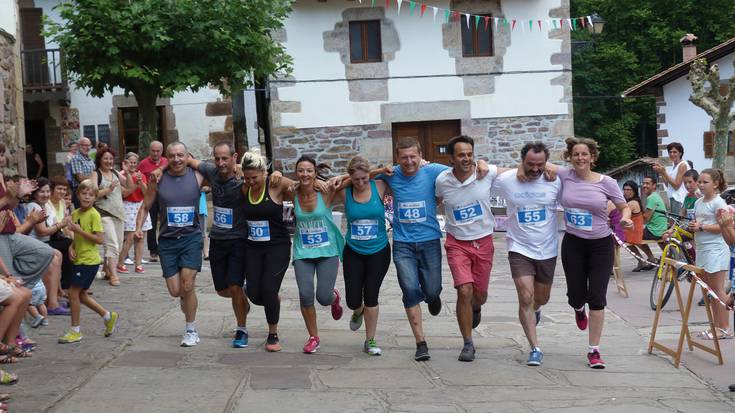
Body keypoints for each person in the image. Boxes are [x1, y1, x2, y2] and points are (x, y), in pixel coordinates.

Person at [374, 137, 489, 361]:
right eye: (404, 157)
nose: (409, 162)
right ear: (397, 158)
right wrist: (379, 168)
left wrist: (480, 163)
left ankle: (433, 296)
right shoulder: (390, 174)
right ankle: (421, 343)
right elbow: (360, 175)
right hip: (402, 243)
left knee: (433, 289)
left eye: (413, 157)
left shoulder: (433, 170)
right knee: (409, 290)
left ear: (420, 156)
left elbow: (461, 169)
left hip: (429, 241)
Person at [557, 137, 632, 369]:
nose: (580, 158)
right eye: (576, 154)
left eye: (584, 154)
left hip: (600, 245)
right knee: (576, 296)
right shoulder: (563, 175)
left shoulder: (606, 182)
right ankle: (578, 309)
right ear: (570, 157)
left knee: (597, 298)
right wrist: (488, 168)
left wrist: (627, 219)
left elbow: (624, 206)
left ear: (592, 157)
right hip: (573, 244)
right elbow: (532, 164)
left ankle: (594, 351)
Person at [435, 136, 505, 362]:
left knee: (480, 295)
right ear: (451, 158)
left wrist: (551, 170)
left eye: (469, 154)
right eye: (460, 155)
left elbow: (518, 173)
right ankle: (467, 343)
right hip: (457, 243)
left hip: (483, 241)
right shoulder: (442, 180)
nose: (465, 158)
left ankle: (476, 307)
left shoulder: (486, 172)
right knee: (464, 290)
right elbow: (435, 200)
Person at [493, 142, 561, 366]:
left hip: (547, 249)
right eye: (530, 164)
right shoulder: (508, 179)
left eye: (540, 164)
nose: (535, 169)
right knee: (525, 297)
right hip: (519, 248)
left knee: (541, 298)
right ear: (522, 161)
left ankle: (537, 309)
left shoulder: (555, 180)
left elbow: (581, 178)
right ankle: (535, 348)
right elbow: (481, 171)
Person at [181, 142, 252, 348]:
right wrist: (159, 169)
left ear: (234, 157)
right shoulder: (211, 171)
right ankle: (242, 297)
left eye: (225, 158)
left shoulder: (243, 178)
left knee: (234, 285)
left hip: (238, 239)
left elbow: (266, 178)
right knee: (222, 290)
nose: (220, 163)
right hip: (218, 240)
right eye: (217, 158)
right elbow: (187, 159)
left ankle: (241, 330)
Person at [136, 142, 204, 347]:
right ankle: (187, 300)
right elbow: (145, 205)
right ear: (167, 158)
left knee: (188, 283)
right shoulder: (158, 178)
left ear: (187, 156)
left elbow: (217, 170)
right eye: (172, 156)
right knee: (176, 291)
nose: (176, 159)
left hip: (191, 238)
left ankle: (190, 329)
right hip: (167, 240)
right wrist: (138, 227)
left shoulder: (198, 176)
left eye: (181, 155)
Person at [330, 156, 391, 356]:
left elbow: (395, 171)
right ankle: (358, 311)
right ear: (350, 178)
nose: (361, 183)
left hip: (379, 251)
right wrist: (343, 177)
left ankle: (370, 340)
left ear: (369, 175)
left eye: (365, 178)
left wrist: (374, 172)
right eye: (356, 180)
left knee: (371, 295)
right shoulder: (345, 193)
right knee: (353, 300)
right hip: (354, 252)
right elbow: (330, 188)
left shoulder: (379, 186)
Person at [240, 149, 292, 352]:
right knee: (254, 294)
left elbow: (298, 186)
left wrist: (279, 173)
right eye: (246, 178)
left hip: (277, 247)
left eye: (254, 178)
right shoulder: (245, 189)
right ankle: (272, 301)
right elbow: (237, 169)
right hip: (253, 247)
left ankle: (273, 334)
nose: (250, 181)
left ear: (264, 173)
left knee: (269, 289)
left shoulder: (275, 185)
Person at [291, 156, 344, 354]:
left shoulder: (326, 191)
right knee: (305, 295)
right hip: (302, 252)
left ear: (315, 173)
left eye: (309, 171)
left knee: (322, 297)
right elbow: (273, 179)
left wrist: (339, 176)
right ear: (297, 173)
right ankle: (313, 337)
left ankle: (333, 297)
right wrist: (277, 173)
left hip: (327, 252)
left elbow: (357, 175)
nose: (305, 174)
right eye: (301, 171)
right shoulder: (293, 192)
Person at [58, 179, 119, 343]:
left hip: (89, 261)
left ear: (95, 198)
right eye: (84, 193)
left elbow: (99, 240)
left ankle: (75, 330)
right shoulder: (76, 213)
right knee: (82, 295)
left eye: (90, 195)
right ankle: (107, 316)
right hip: (80, 259)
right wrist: (72, 246)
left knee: (72, 293)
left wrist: (79, 231)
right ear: (78, 195)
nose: (86, 197)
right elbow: (77, 237)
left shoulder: (94, 215)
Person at [688, 169, 731, 339]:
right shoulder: (698, 202)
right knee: (709, 291)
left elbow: (724, 228)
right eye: (699, 181)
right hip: (702, 249)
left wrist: (702, 227)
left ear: (716, 184)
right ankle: (716, 327)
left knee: (718, 290)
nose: (700, 185)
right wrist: (693, 225)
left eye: (705, 182)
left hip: (716, 250)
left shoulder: (719, 203)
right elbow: (699, 222)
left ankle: (725, 328)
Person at [23, 177, 71, 315]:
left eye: (47, 191)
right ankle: (52, 302)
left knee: (60, 253)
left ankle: (55, 296)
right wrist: (61, 224)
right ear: (35, 193)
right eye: (42, 192)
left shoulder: (43, 205)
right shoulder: (34, 206)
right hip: (35, 243)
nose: (46, 194)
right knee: (56, 256)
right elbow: (42, 231)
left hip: (42, 242)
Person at [90, 148, 130, 287]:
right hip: (103, 213)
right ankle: (114, 275)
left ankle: (106, 269)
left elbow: (129, 186)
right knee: (112, 243)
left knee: (117, 245)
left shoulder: (115, 173)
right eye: (105, 158)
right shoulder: (96, 174)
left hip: (118, 214)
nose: (108, 161)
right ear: (100, 159)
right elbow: (92, 194)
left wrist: (128, 171)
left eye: (111, 158)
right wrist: (109, 189)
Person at [117, 153, 150, 274]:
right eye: (130, 162)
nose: (132, 165)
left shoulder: (140, 175)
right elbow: (125, 193)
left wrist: (141, 183)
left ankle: (138, 264)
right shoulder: (121, 174)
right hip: (128, 206)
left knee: (140, 237)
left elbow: (147, 193)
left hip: (141, 205)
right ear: (125, 162)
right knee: (130, 237)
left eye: (134, 162)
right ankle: (120, 263)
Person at [137, 141, 168, 263]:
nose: (155, 153)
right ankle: (153, 250)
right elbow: (139, 179)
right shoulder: (143, 164)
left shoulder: (166, 162)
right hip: (151, 196)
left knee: (166, 222)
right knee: (152, 223)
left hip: (165, 195)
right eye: (153, 151)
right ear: (150, 151)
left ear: (162, 151)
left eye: (158, 151)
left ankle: (165, 247)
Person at [628, 176, 667, 271]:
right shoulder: (655, 196)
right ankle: (651, 259)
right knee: (636, 233)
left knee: (629, 237)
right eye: (643, 183)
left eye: (647, 184)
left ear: (654, 186)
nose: (644, 185)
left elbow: (646, 217)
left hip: (655, 230)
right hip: (658, 228)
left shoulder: (652, 198)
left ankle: (644, 260)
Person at [652, 142, 690, 215]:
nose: (672, 154)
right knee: (676, 223)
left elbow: (676, 185)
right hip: (674, 198)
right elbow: (668, 185)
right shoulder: (674, 166)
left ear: (680, 153)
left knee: (678, 224)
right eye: (670, 152)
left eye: (675, 152)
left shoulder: (682, 165)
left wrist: (664, 172)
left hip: (680, 199)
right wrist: (661, 172)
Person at [622, 181, 645, 271]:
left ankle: (641, 260)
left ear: (634, 191)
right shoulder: (632, 201)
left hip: (634, 231)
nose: (626, 192)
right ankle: (641, 260)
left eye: (629, 190)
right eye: (624, 190)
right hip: (633, 229)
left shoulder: (632, 203)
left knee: (615, 239)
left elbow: (621, 215)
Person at [70, 137, 95, 207]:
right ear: (79, 146)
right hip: (81, 191)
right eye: (85, 145)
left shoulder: (90, 159)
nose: (87, 148)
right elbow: (80, 177)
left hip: (90, 190)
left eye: (89, 145)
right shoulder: (76, 158)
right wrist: (94, 177)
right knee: (82, 215)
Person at [198, 186, 210, 260]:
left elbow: (209, 187)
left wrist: (207, 188)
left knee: (203, 233)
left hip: (201, 208)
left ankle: (206, 253)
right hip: (190, 207)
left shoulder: (202, 176)